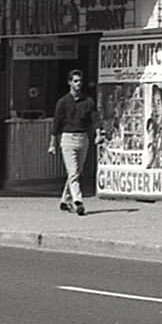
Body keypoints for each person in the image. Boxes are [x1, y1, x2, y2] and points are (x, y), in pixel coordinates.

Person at [49, 70, 107, 216]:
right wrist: (52, 143)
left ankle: (64, 200)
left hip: (83, 139)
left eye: (80, 81)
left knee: (76, 172)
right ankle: (78, 201)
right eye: (75, 81)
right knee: (73, 172)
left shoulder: (88, 101)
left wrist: (98, 133)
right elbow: (56, 123)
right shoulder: (63, 102)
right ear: (69, 83)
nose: (78, 84)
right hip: (68, 138)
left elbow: (95, 119)